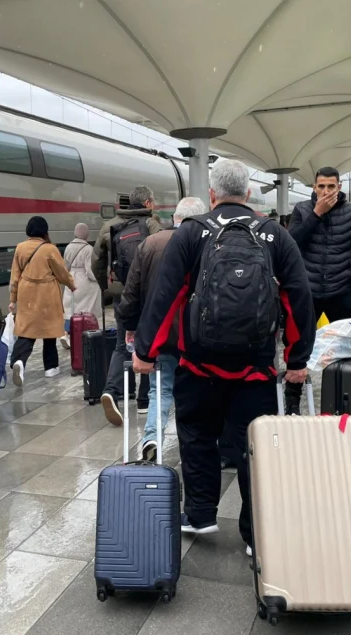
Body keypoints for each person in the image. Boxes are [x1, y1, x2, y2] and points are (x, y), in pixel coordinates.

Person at [131, 160, 316, 555]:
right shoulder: (275, 235)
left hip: (199, 366)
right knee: (257, 445)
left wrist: (145, 351)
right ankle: (257, 533)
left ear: (212, 195)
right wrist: (297, 359)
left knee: (197, 435)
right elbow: (298, 298)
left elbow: (166, 298)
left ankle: (200, 515)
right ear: (249, 194)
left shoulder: (191, 233)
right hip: (256, 368)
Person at [118, 197, 206, 461]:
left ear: (175, 218)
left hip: (161, 332)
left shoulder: (151, 243)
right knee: (199, 390)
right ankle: (198, 445)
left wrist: (131, 327)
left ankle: (152, 439)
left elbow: (131, 292)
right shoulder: (207, 243)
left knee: (161, 389)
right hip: (197, 335)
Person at [285, 167, 351, 414]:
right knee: (298, 344)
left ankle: (345, 398)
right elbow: (292, 244)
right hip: (308, 289)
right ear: (313, 187)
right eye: (321, 186)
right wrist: (316, 214)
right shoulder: (302, 210)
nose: (325, 192)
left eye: (330, 187)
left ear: (339, 188)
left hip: (342, 288)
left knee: (346, 346)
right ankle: (292, 401)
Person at [92, 186, 162, 424]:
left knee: (123, 345)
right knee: (149, 345)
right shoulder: (152, 225)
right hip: (148, 295)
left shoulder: (110, 226)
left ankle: (111, 391)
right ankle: (143, 401)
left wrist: (109, 288)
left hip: (123, 295)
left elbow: (97, 263)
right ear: (148, 203)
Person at [8, 216, 75, 385]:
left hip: (26, 292)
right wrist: (71, 284)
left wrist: (12, 299)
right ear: (45, 231)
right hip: (47, 293)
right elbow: (61, 272)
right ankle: (51, 368)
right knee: (49, 331)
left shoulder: (20, 248)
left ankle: (19, 361)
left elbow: (15, 277)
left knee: (26, 330)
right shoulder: (49, 249)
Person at [60, 222, 102, 349]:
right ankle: (84, 334)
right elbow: (89, 271)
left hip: (71, 279)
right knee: (85, 310)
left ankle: (65, 333)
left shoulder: (68, 247)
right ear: (86, 234)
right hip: (84, 282)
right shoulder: (88, 249)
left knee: (70, 311)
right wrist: (98, 280)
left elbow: (65, 267)